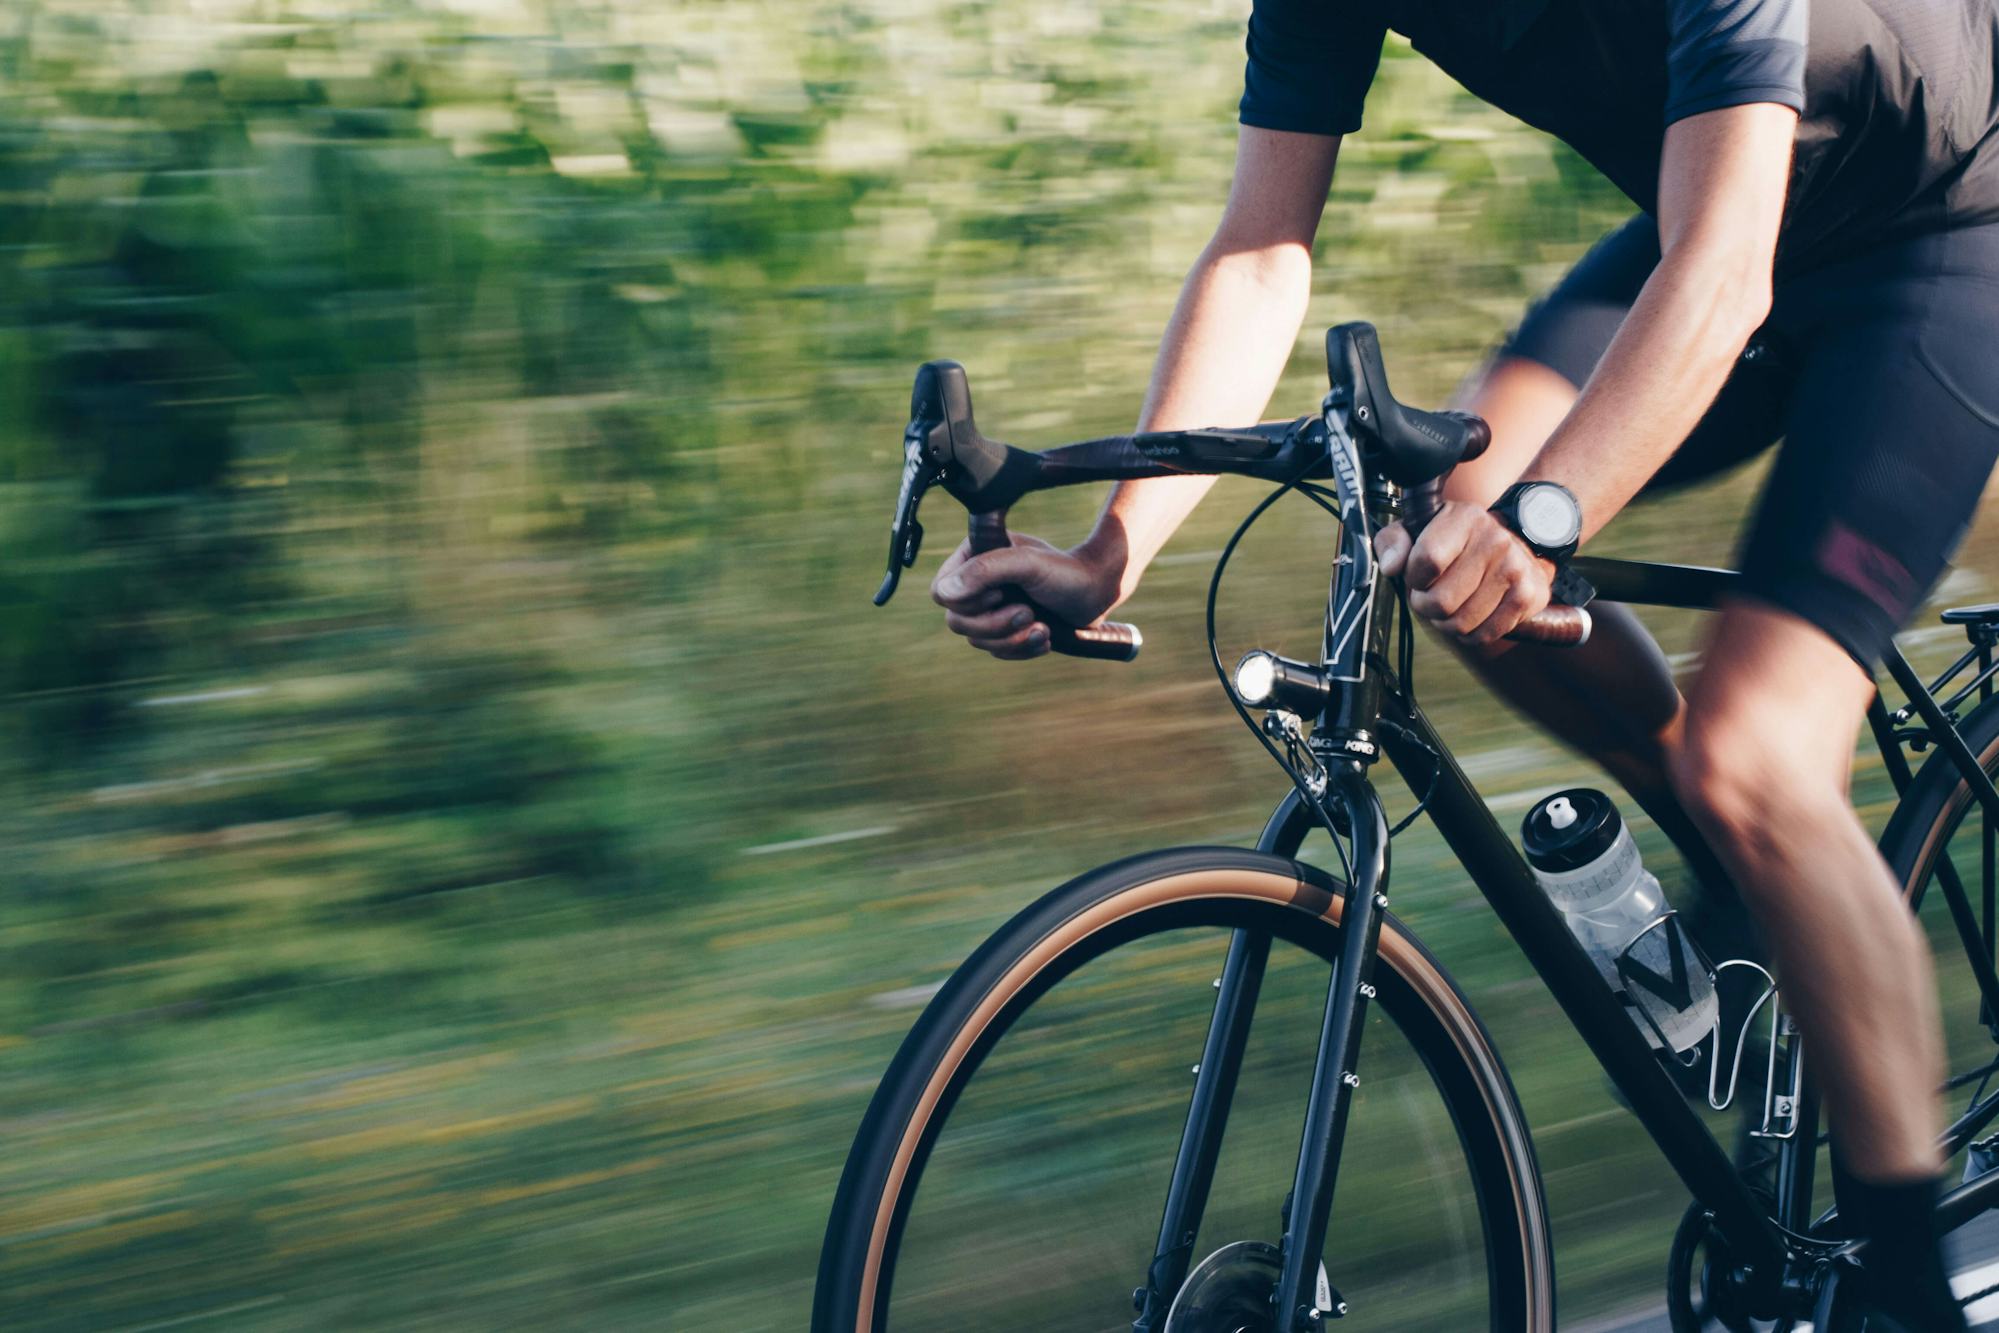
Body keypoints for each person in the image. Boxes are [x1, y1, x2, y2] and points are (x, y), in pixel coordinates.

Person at [929, 0, 1999, 1326]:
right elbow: (1264, 251)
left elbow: (1725, 278)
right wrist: (1112, 548)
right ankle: (1731, 862)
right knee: (1451, 535)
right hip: (1723, 217)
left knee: (1758, 755)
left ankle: (1909, 1288)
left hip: (1939, 234)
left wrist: (1550, 522)